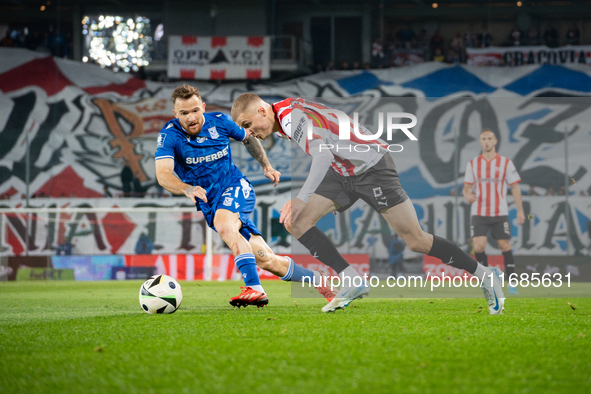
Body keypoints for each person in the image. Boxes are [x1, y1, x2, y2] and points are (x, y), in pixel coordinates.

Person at [231, 95, 505, 315]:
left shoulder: (291, 117)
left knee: (416, 241)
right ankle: (351, 279)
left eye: (247, 124)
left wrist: (301, 198)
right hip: (343, 172)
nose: (248, 132)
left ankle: (485, 274)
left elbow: (322, 154)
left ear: (262, 112)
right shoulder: (283, 114)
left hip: (372, 167)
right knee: (296, 222)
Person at [155, 85, 334, 308]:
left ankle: (255, 289)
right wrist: (186, 188)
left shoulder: (220, 122)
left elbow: (248, 138)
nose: (191, 118)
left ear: (203, 107)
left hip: (236, 187)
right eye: (183, 113)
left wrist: (266, 166)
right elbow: (162, 174)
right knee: (266, 260)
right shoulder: (169, 136)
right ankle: (319, 280)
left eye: (194, 110)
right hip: (212, 203)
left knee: (224, 225)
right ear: (175, 113)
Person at [463, 129, 525, 295]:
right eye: (484, 138)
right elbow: (466, 188)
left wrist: (520, 210)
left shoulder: (506, 163)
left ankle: (512, 282)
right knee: (479, 245)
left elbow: (515, 187)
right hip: (479, 212)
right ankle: (487, 280)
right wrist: (467, 195)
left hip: (500, 212)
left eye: (490, 138)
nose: (487, 141)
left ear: (495, 141)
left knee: (504, 245)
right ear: (480, 141)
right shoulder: (473, 164)